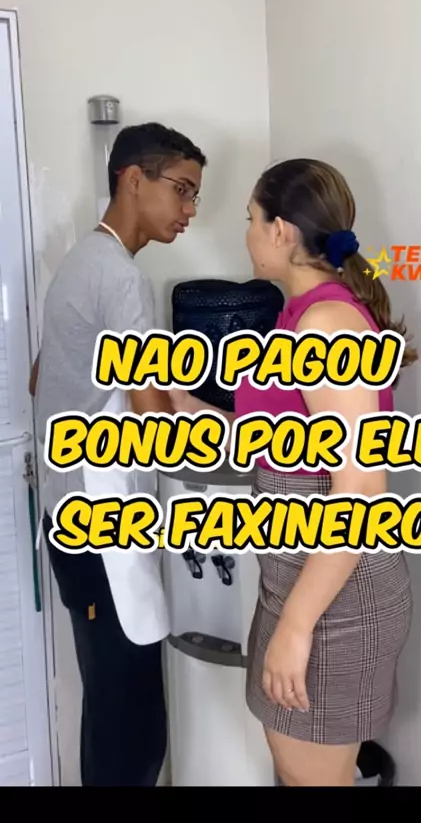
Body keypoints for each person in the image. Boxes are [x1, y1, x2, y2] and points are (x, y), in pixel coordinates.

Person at [171, 158, 416, 787]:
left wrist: (297, 628)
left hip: (336, 601)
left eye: (250, 220)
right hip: (295, 584)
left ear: (280, 230)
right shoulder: (297, 315)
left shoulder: (328, 326)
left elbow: (360, 494)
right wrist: (190, 406)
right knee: (293, 770)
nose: (246, 234)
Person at [34, 121, 207, 786]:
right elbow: (151, 419)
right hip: (103, 527)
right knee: (132, 729)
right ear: (134, 179)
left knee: (108, 707)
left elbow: (43, 377)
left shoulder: (81, 263)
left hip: (68, 519)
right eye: (182, 190)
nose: (190, 210)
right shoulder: (123, 278)